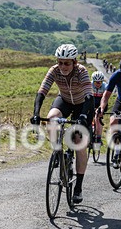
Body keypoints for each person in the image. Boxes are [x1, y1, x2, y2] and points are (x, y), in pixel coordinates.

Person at [30, 43, 95, 204]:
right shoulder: (54, 70)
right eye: (60, 62)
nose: (63, 66)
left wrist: (83, 117)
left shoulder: (82, 72)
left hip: (83, 104)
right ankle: (57, 151)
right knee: (51, 118)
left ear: (74, 62)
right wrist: (36, 114)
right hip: (65, 101)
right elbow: (42, 92)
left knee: (79, 143)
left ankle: (78, 187)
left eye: (67, 63)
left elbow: (89, 96)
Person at [91, 71, 106, 144]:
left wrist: (101, 108)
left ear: (102, 81)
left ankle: (99, 137)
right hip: (92, 102)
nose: (97, 84)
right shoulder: (89, 85)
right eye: (95, 82)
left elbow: (105, 98)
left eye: (99, 82)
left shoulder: (105, 86)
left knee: (98, 117)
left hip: (101, 102)